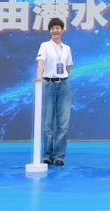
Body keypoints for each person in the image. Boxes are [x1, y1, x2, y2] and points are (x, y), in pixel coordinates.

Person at [36, 17, 73, 166]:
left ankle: (59, 156)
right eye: (52, 28)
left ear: (62, 30)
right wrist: (39, 77)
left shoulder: (67, 48)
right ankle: (47, 155)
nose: (55, 30)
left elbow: (68, 67)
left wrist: (61, 77)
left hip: (64, 86)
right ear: (49, 31)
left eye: (57, 28)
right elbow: (41, 63)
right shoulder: (44, 46)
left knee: (63, 123)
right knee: (47, 123)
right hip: (48, 84)